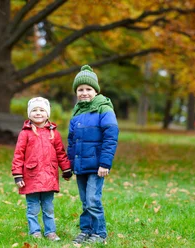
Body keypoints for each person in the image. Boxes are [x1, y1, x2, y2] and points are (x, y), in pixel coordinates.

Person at [68, 65, 119, 244]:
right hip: (81, 165)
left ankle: (99, 233)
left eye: (88, 89)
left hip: (97, 165)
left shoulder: (104, 109)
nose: (84, 92)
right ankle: (86, 230)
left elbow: (111, 136)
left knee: (92, 199)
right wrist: (69, 165)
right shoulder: (77, 112)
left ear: (96, 91)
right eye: (80, 89)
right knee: (84, 200)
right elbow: (72, 141)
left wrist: (105, 163)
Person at [11, 97, 72, 241]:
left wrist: (66, 168)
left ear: (48, 114)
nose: (38, 113)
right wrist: (18, 175)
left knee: (48, 208)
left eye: (41, 110)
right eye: (34, 110)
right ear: (29, 114)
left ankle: (50, 232)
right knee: (32, 208)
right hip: (30, 176)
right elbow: (18, 154)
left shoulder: (54, 134)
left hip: (49, 176)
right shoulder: (25, 133)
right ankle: (35, 232)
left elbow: (60, 153)